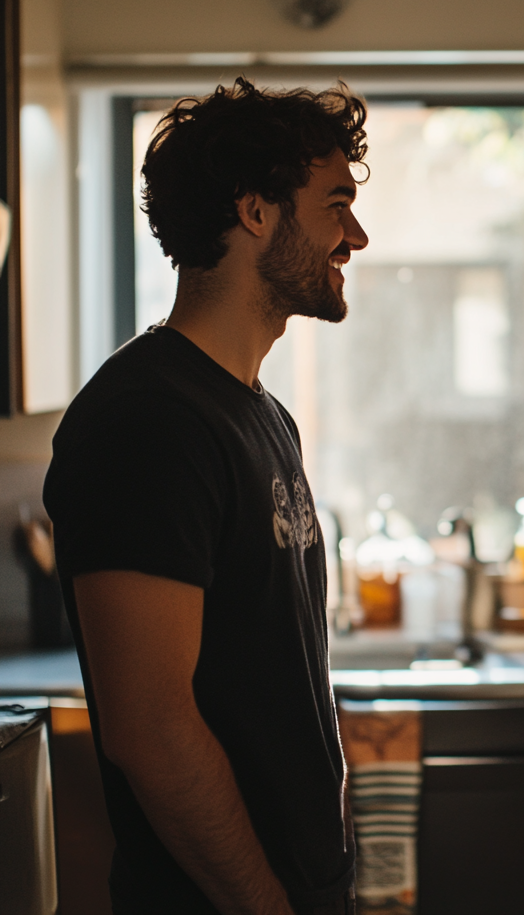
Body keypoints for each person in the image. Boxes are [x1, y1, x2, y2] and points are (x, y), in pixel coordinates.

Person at [44, 77, 369, 915]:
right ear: (256, 210)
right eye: (335, 203)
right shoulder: (146, 423)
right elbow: (151, 730)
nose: (355, 235)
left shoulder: (260, 415)